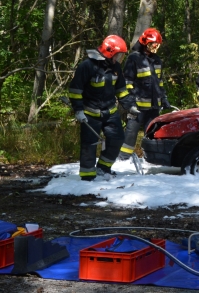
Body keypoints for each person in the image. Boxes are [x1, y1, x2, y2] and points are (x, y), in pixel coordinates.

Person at [68, 35, 133, 181]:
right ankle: (87, 176)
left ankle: (104, 169)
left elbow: (121, 90)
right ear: (110, 52)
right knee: (89, 145)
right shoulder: (87, 66)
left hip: (110, 112)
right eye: (118, 55)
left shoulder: (115, 67)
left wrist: (130, 107)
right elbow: (75, 90)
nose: (120, 58)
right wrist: (78, 110)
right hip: (90, 113)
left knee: (117, 139)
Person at [118, 27, 172, 162]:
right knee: (131, 132)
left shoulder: (157, 60)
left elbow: (159, 82)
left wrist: (163, 98)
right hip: (137, 106)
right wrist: (130, 103)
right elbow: (127, 83)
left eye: (157, 45)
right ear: (145, 43)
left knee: (153, 133)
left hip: (154, 107)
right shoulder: (134, 59)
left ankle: (151, 158)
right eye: (153, 44)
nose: (155, 47)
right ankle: (123, 159)